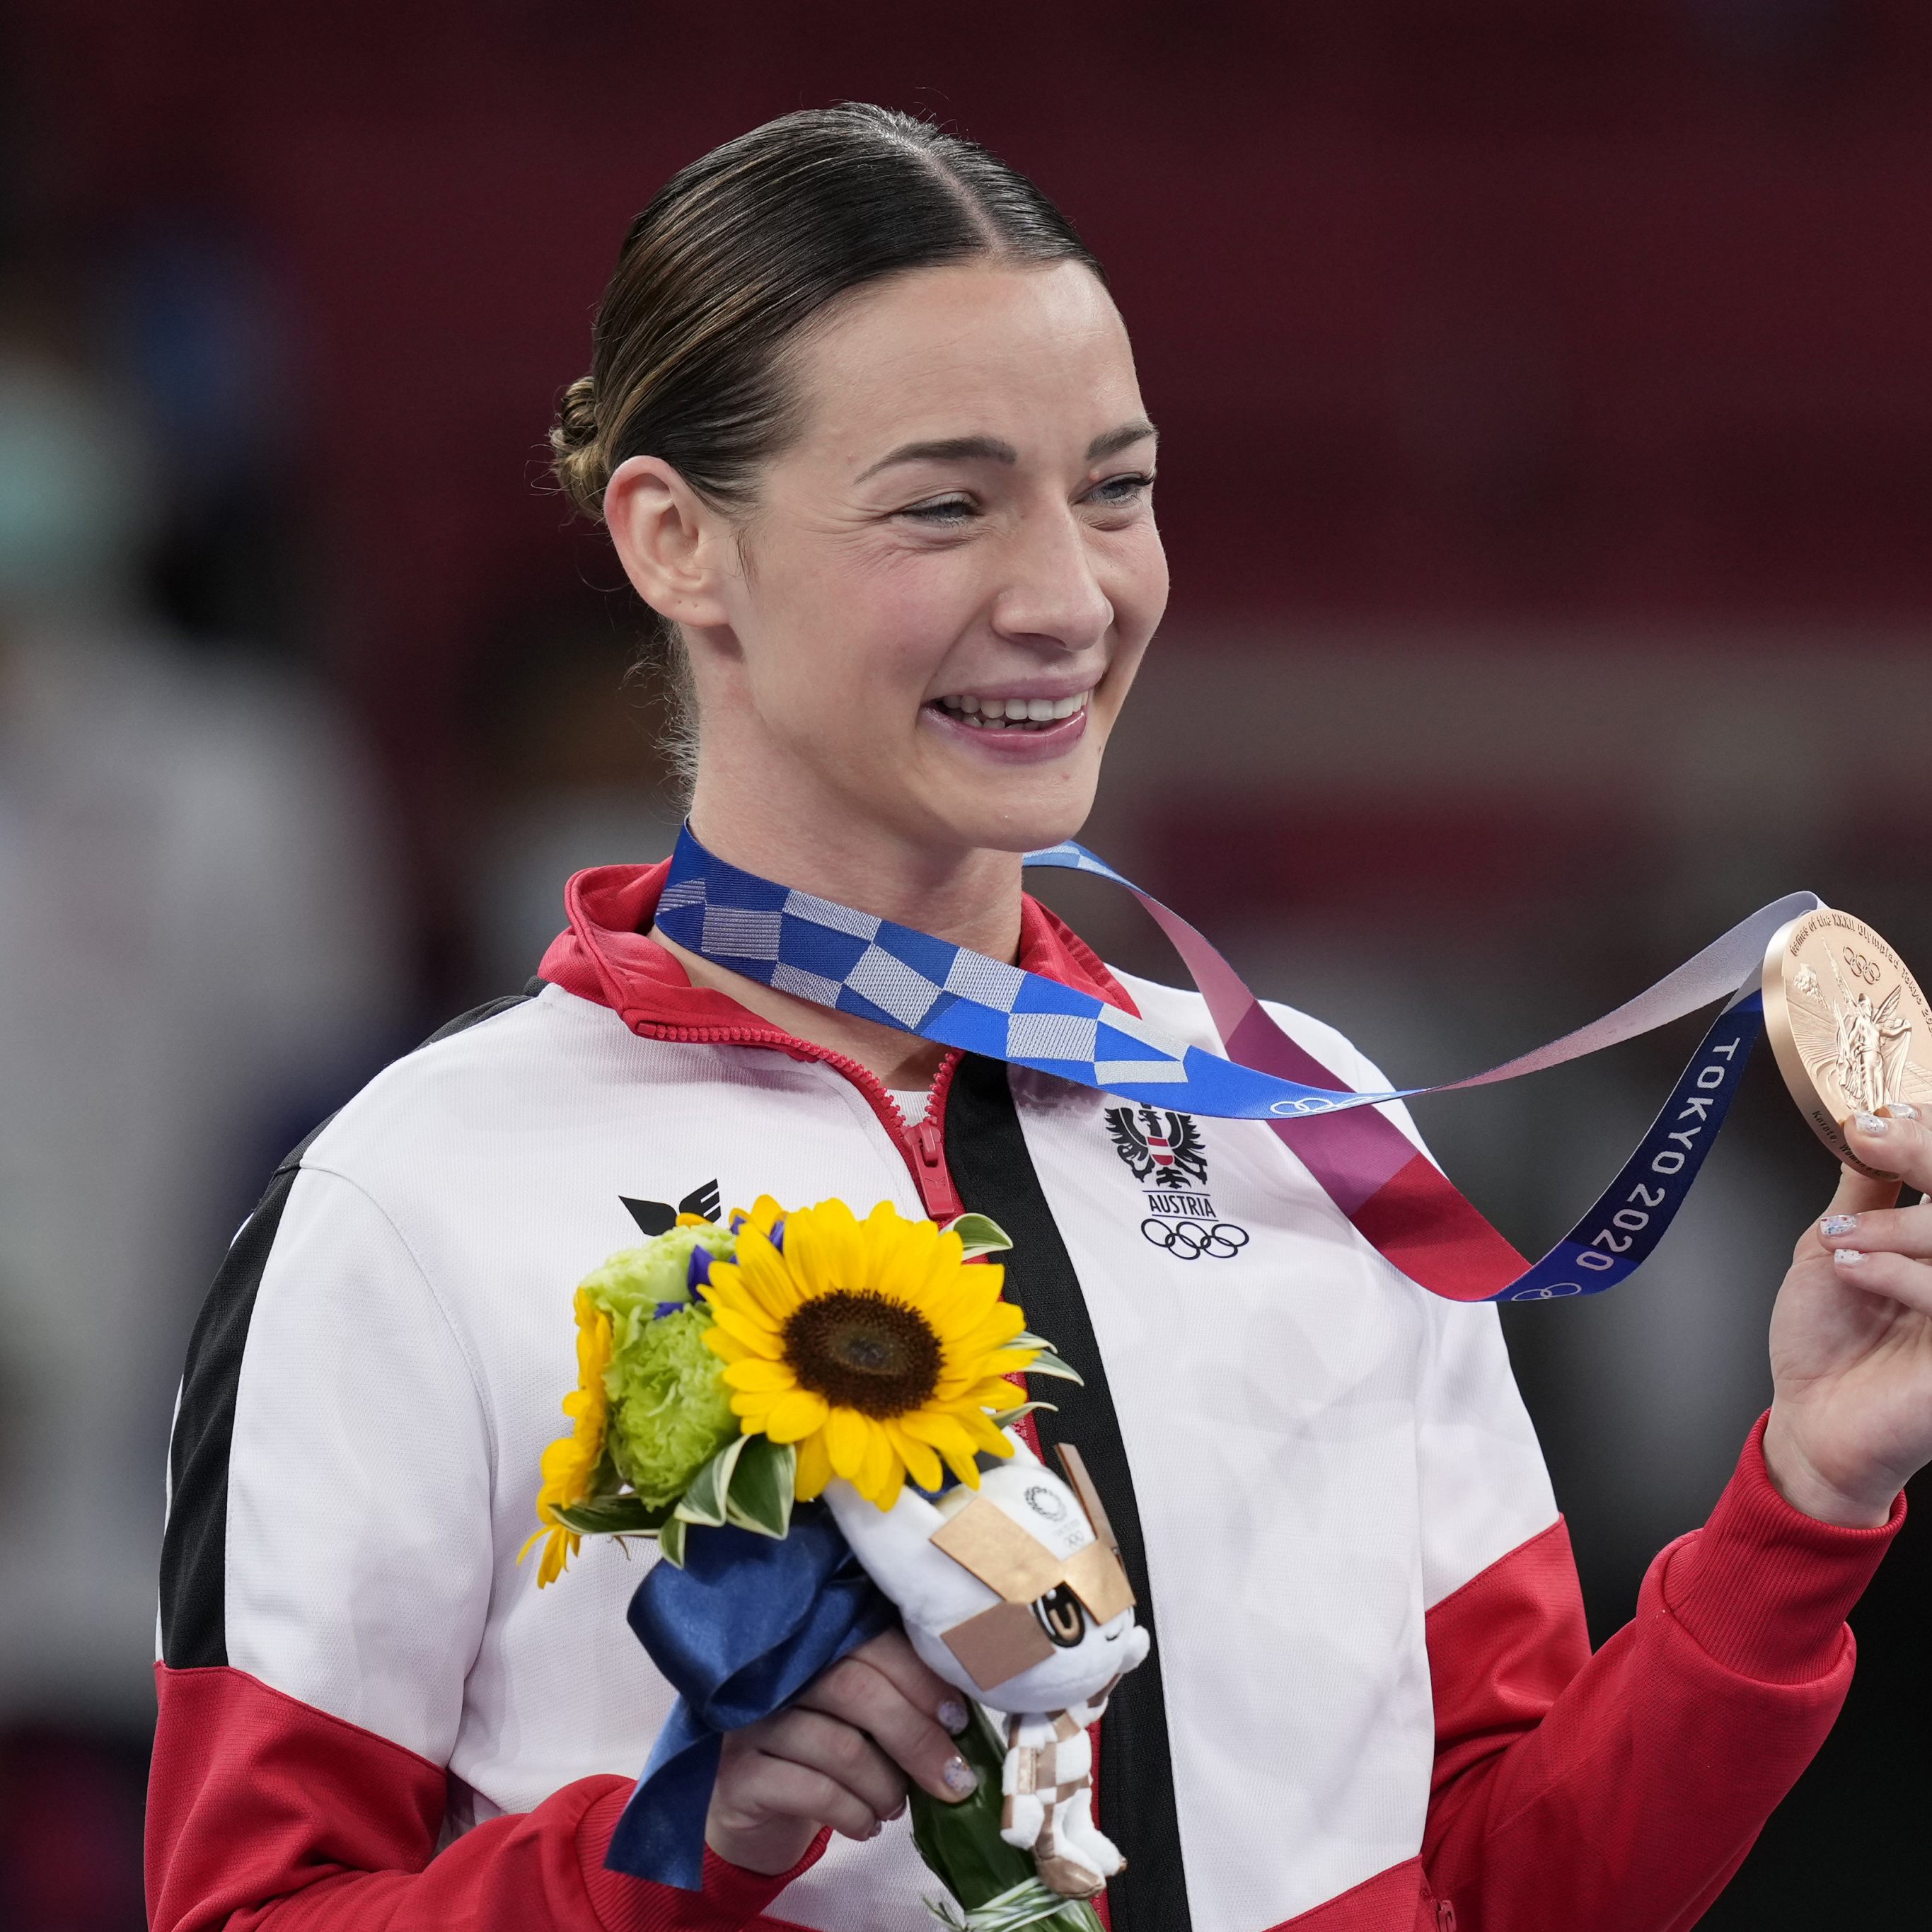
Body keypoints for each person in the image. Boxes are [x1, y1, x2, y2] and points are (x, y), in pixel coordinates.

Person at [146, 105, 1928, 1932]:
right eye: (946, 503)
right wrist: (675, 1853)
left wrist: (1802, 1498)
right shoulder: (417, 1201)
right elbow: (254, 1907)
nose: (1071, 598)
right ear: (677, 540)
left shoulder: (1296, 1114)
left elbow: (1505, 1881)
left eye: (1115, 489)